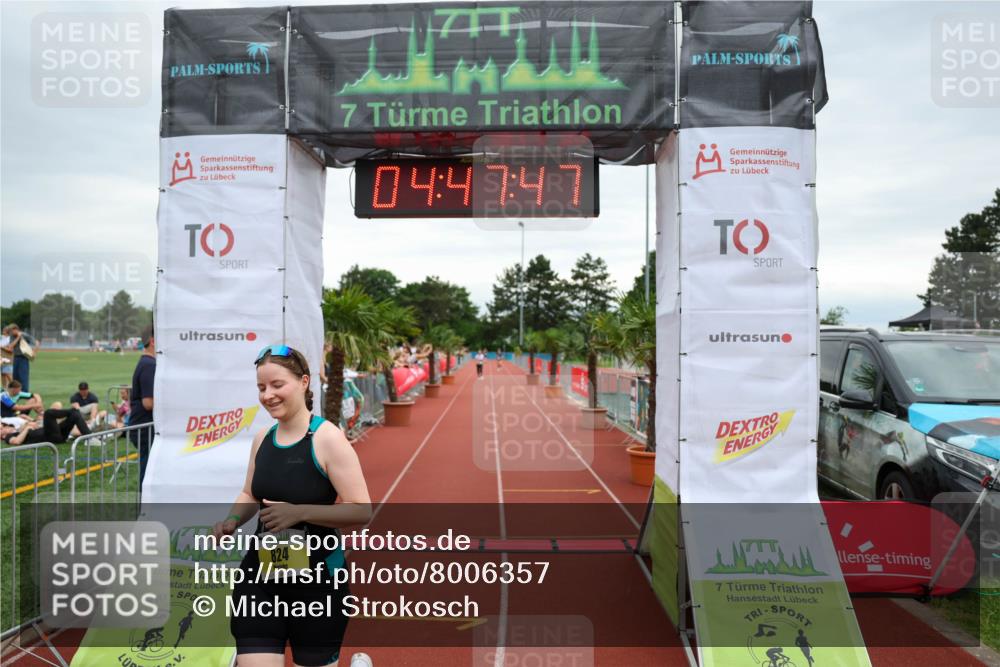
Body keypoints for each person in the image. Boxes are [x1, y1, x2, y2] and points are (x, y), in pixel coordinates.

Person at [212, 344, 372, 667]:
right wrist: (231, 520)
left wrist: (298, 513)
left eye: (277, 384)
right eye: (261, 387)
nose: (267, 395)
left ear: (304, 382)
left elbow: (361, 509)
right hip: (261, 578)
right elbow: (249, 493)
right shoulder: (263, 438)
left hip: (318, 584)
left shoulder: (327, 438)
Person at [129, 326, 156, 485]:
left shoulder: (146, 363)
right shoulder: (149, 365)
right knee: (148, 471)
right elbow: (148, 403)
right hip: (145, 428)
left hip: (143, 427)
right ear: (152, 341)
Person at [2, 407, 91, 446]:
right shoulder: (9, 436)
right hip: (49, 438)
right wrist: (27, 428)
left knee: (74, 415)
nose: (6, 427)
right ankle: (72, 410)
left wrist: (31, 423)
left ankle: (90, 438)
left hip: (56, 434)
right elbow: (16, 442)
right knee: (48, 413)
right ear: (2, 435)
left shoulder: (18, 429)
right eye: (3, 428)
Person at [4, 324, 36, 392]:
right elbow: (11, 346)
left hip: (23, 358)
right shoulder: (12, 336)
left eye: (12, 331)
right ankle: (17, 391)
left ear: (16, 329)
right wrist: (18, 337)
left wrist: (34, 352)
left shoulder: (24, 335)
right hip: (15, 357)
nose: (11, 333)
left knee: (23, 376)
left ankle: (25, 391)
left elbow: (36, 342)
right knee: (15, 376)